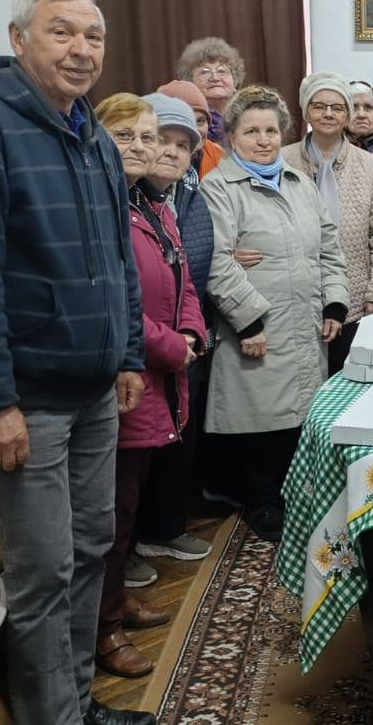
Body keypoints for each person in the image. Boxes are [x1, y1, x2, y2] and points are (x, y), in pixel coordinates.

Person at [0, 0, 154, 725]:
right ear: (19, 40)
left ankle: (75, 704)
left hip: (92, 391)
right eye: (62, 32)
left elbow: (118, 261)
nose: (82, 50)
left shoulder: (92, 135)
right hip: (24, 401)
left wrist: (127, 354)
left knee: (89, 549)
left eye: (94, 36)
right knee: (44, 571)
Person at [90, 94, 206, 680]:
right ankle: (102, 628)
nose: (142, 147)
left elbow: (183, 280)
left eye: (148, 136)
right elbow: (114, 301)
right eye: (125, 136)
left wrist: (190, 332)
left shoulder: (152, 204)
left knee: (128, 503)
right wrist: (169, 347)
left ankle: (114, 601)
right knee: (110, 512)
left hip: (158, 371)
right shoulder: (99, 205)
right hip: (126, 373)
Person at [201, 86, 350, 541]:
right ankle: (262, 501)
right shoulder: (218, 188)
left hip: (305, 322)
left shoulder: (300, 183)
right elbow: (216, 261)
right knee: (260, 418)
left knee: (299, 415)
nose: (263, 140)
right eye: (252, 131)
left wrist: (334, 302)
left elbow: (330, 249)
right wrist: (248, 321)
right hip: (256, 327)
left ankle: (296, 497)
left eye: (271, 130)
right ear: (231, 136)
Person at [131, 91, 218, 580]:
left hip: (182, 338)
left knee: (177, 440)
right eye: (160, 139)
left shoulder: (177, 200)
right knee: (136, 453)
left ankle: (164, 528)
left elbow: (188, 269)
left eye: (183, 145)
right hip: (140, 346)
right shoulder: (122, 201)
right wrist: (168, 341)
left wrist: (188, 333)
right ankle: (129, 547)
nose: (170, 151)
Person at [281, 72, 373, 373]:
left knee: (347, 382)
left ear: (346, 115)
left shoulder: (368, 164)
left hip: (355, 299)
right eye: (319, 106)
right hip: (295, 297)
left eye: (337, 107)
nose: (328, 114)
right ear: (306, 112)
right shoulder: (283, 161)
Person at [175, 36, 245, 146]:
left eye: (221, 71)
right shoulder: (185, 123)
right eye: (204, 72)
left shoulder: (248, 117)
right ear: (190, 82)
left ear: (235, 81)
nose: (215, 78)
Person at [157, 78, 223, 179]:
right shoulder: (143, 163)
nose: (195, 130)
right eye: (186, 122)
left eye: (200, 121)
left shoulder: (220, 157)